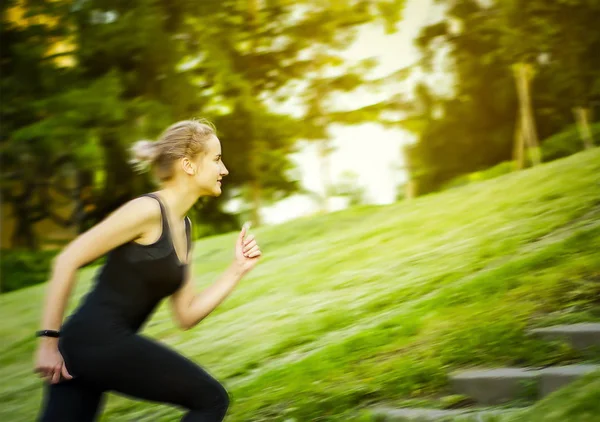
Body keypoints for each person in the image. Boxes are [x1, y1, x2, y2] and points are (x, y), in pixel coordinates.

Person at [34, 119, 262, 421]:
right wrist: (48, 344)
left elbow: (186, 315)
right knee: (210, 400)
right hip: (92, 341)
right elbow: (67, 260)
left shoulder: (184, 226)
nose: (225, 170)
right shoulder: (147, 211)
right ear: (189, 165)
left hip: (93, 348)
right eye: (217, 159)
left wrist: (237, 269)